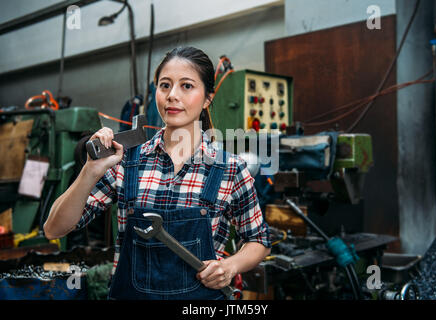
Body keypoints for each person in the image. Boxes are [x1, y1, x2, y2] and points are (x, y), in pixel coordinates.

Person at [44, 46, 271, 300]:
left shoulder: (229, 169)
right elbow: (54, 229)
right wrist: (89, 171)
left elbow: (258, 240)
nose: (173, 95)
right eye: (165, 85)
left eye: (186, 86)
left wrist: (230, 266)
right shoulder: (126, 161)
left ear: (208, 98)